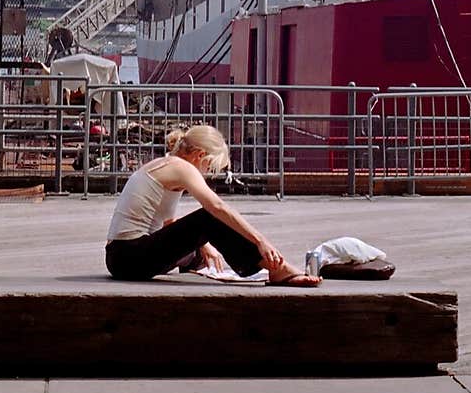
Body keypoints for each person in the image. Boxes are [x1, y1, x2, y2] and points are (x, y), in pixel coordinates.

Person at [105, 123, 321, 286]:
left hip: (120, 257)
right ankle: (277, 268)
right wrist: (261, 242)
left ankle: (202, 266)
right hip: (129, 257)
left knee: (201, 248)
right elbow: (216, 207)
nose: (208, 174)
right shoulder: (181, 167)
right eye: (210, 167)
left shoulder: (165, 164)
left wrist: (203, 245)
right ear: (200, 156)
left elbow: (168, 224)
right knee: (209, 218)